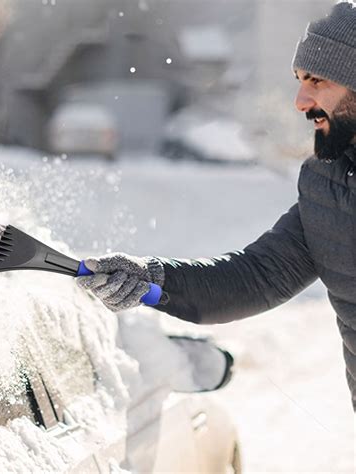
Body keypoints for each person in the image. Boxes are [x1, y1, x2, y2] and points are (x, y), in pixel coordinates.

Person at [77, 2, 356, 410]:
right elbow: (257, 276)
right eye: (299, 80)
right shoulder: (326, 186)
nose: (300, 100)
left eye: (318, 81)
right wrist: (151, 279)